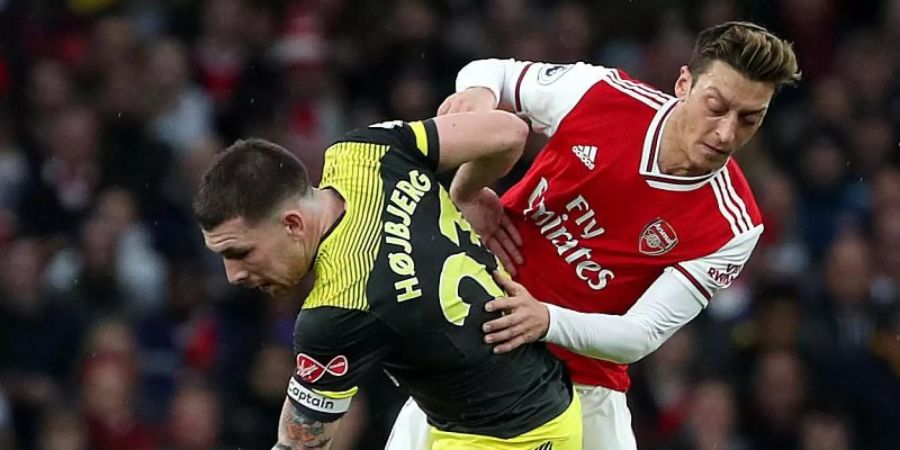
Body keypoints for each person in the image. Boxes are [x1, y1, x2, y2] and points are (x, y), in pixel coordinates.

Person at [388, 21, 801, 450]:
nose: (726, 133)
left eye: (750, 119)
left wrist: (546, 319)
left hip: (583, 383)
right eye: (716, 106)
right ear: (684, 84)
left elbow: (640, 334)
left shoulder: (734, 224)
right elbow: (493, 73)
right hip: (479, 338)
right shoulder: (604, 96)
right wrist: (467, 186)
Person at [192, 111, 582, 449]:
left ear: (293, 224)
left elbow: (299, 446)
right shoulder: (362, 150)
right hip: (510, 403)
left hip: (514, 435)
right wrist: (464, 192)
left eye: (239, 253)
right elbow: (509, 131)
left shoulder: (337, 308)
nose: (234, 275)